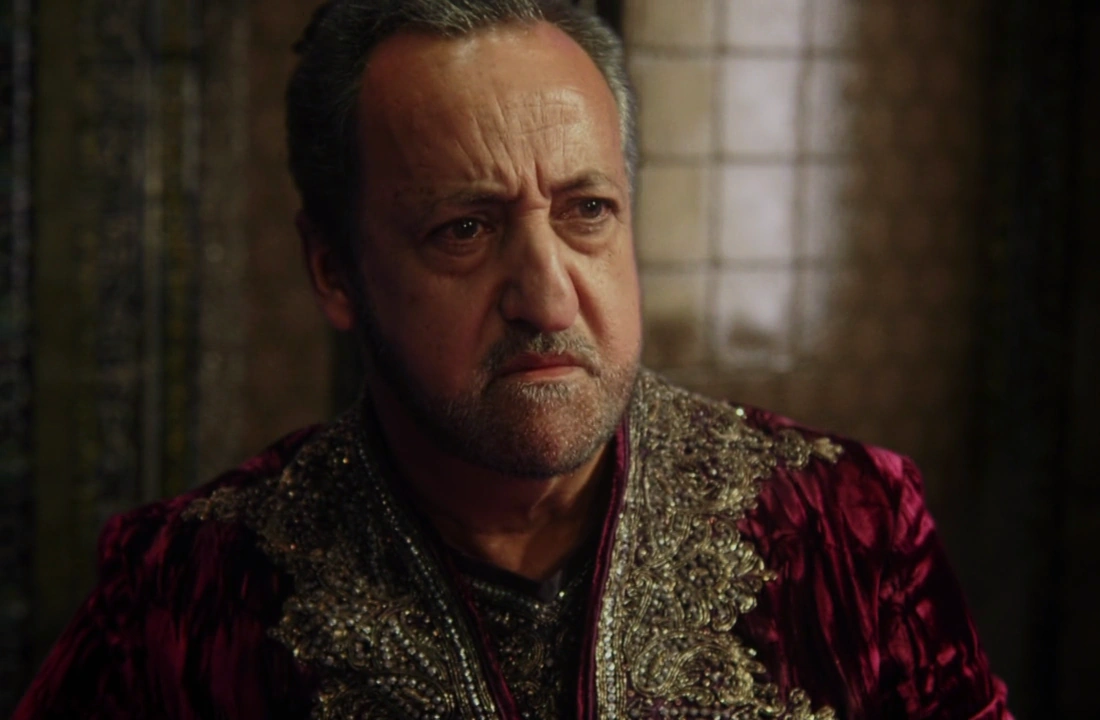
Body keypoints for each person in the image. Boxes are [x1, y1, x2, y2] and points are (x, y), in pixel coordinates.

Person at [13, 1, 1013, 718]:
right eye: (464, 229)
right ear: (334, 271)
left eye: (587, 212)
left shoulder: (848, 530)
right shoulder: (183, 596)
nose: (547, 297)